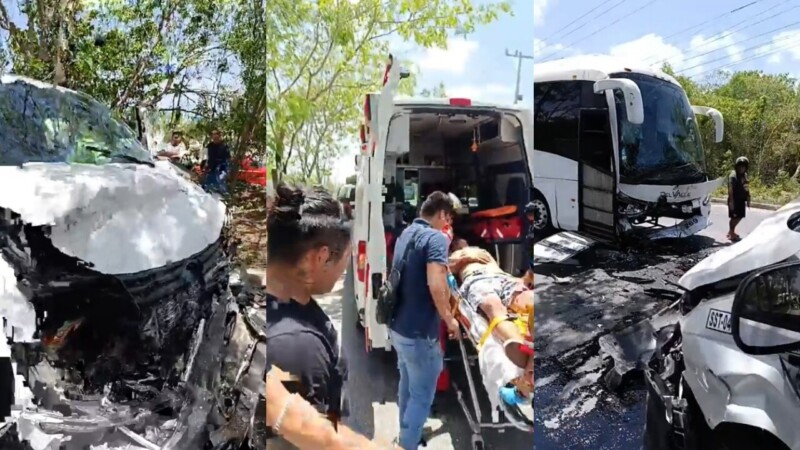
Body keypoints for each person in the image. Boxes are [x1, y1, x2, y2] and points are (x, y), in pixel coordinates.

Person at [266, 182, 397, 450]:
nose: (344, 272)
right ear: (321, 257)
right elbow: (313, 438)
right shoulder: (298, 346)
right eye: (345, 260)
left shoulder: (283, 305)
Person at [389, 191, 459, 450]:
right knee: (422, 394)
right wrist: (450, 319)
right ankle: (407, 444)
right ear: (441, 214)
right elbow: (436, 284)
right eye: (448, 217)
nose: (448, 223)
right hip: (419, 333)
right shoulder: (436, 238)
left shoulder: (405, 234)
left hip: (399, 327)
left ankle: (407, 430)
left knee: (407, 384)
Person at [727, 156, 751, 242]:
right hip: (734, 200)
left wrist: (748, 198)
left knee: (740, 216)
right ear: (736, 166)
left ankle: (731, 231)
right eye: (740, 166)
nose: (741, 168)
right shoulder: (733, 175)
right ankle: (731, 233)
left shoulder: (744, 175)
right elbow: (730, 190)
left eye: (743, 167)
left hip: (741, 200)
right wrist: (731, 203)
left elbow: (746, 187)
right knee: (735, 217)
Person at [203, 129, 231, 194]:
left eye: (216, 134)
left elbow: (228, 160)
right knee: (206, 187)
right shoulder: (209, 145)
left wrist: (226, 171)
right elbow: (205, 156)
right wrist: (204, 165)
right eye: (213, 135)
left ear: (219, 136)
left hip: (220, 170)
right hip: (210, 168)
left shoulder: (224, 146)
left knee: (219, 185)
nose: (215, 136)